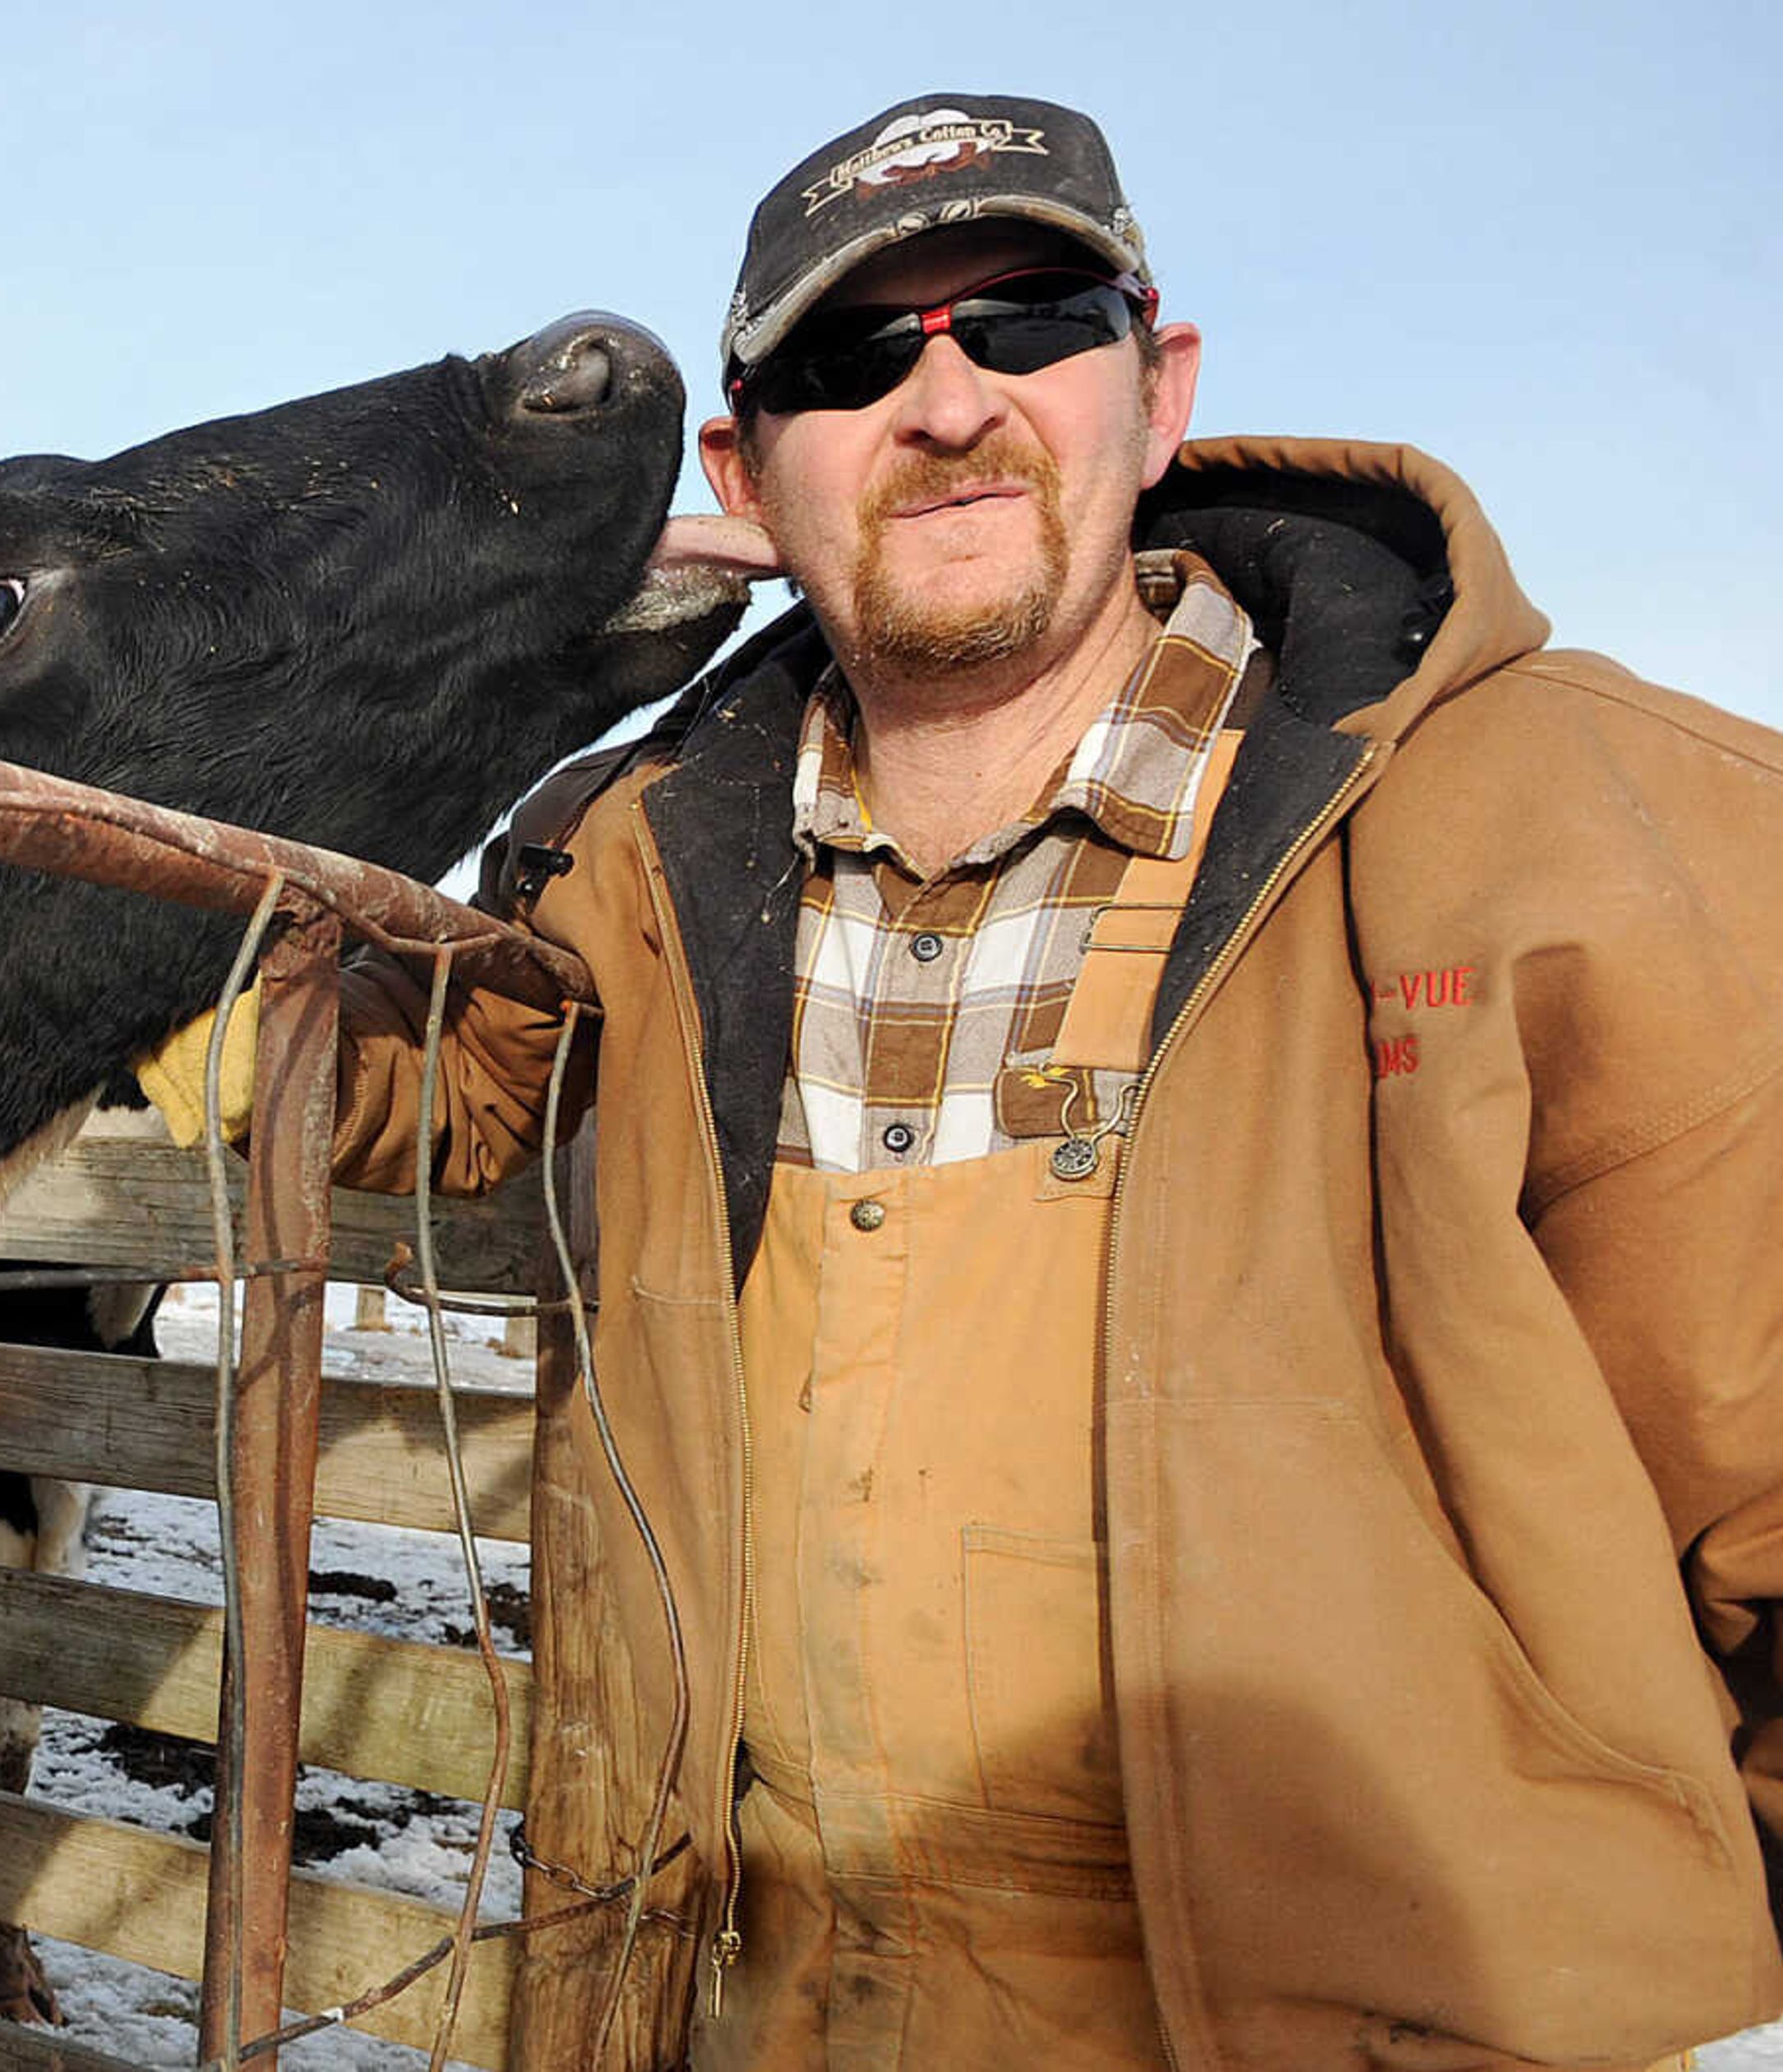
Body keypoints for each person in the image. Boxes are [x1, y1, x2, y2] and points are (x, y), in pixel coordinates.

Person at [192, 91, 1783, 2070]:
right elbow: (380, 1094)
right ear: (743, 470)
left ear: (1159, 384)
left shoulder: (1580, 821)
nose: (946, 403)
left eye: (1028, 319)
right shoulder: (633, 864)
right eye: (856, 359)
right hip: (755, 2002)